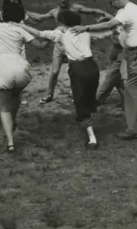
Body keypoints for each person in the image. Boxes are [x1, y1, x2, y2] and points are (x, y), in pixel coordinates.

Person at [69, 0, 137, 140]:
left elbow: (110, 25)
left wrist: (86, 28)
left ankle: (133, 129)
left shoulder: (127, 12)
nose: (111, 6)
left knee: (131, 89)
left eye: (112, 2)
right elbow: (115, 26)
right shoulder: (133, 8)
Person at [15, 10, 114, 150]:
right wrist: (111, 19)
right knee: (88, 100)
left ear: (63, 23)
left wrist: (21, 26)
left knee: (80, 103)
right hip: (92, 68)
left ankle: (92, 138)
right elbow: (107, 30)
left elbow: (39, 33)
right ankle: (89, 120)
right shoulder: (86, 31)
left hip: (78, 70)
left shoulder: (61, 34)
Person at [0, 1, 49, 153]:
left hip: (2, 70)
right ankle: (13, 120)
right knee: (15, 97)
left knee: (3, 108)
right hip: (21, 71)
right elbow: (41, 45)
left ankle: (10, 142)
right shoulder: (20, 29)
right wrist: (53, 36)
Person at [27, 0, 110, 104]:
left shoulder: (76, 8)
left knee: (75, 72)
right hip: (59, 47)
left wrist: (104, 13)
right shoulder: (54, 12)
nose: (63, 0)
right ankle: (49, 94)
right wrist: (24, 12)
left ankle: (76, 93)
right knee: (55, 72)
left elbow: (91, 11)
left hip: (72, 47)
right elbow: (39, 18)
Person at [0, 0, 37, 105]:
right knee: (9, 69)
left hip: (20, 43)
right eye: (13, 0)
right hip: (8, 46)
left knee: (20, 70)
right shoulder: (2, 13)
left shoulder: (21, 12)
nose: (16, 2)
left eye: (17, 0)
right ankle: (7, 93)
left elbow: (34, 22)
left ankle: (18, 95)